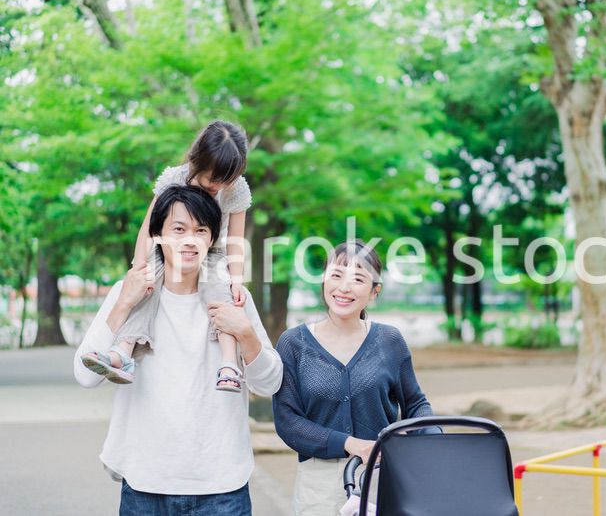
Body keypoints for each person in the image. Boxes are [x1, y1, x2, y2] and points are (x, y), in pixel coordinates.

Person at [73, 185, 283, 515]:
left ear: (213, 239)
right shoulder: (126, 292)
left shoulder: (232, 298)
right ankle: (122, 357)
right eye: (179, 229)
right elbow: (85, 376)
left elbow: (268, 385)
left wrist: (245, 333)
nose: (190, 240)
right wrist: (123, 303)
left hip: (221, 487)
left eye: (201, 230)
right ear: (156, 234)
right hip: (145, 485)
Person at [81, 120, 252, 392]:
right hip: (168, 249)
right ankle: (124, 352)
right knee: (145, 289)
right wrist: (140, 266)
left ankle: (229, 363)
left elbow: (235, 240)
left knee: (221, 293)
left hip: (212, 251)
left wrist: (236, 279)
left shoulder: (235, 189)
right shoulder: (176, 178)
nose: (217, 185)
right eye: (212, 177)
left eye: (225, 179)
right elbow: (149, 230)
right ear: (197, 161)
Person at [273, 240, 437, 516]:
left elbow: (415, 403)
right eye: (336, 275)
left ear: (374, 291)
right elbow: (288, 421)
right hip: (319, 487)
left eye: (358, 279)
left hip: (381, 478)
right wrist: (351, 444)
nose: (344, 288)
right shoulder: (293, 343)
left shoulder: (389, 340)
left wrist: (433, 439)